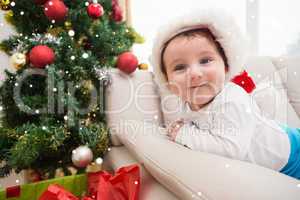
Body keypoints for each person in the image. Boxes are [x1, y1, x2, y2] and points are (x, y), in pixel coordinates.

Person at [150, 9, 300, 179]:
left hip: (292, 154)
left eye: (205, 60)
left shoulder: (232, 100)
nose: (194, 73)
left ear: (227, 66)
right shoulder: (188, 103)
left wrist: (183, 133)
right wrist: (182, 127)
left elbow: (231, 150)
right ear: (168, 83)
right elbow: (198, 126)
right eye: (179, 67)